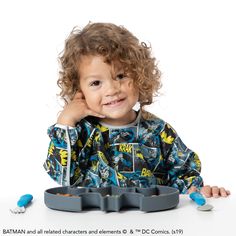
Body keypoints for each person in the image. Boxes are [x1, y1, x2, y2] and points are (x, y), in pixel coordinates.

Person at [44, 22, 230, 198]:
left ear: (140, 74)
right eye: (96, 83)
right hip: (95, 220)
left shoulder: (158, 131)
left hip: (150, 219)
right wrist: (65, 122)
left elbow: (183, 173)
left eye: (121, 76)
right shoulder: (81, 132)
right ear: (79, 91)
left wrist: (197, 190)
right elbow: (62, 178)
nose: (112, 90)